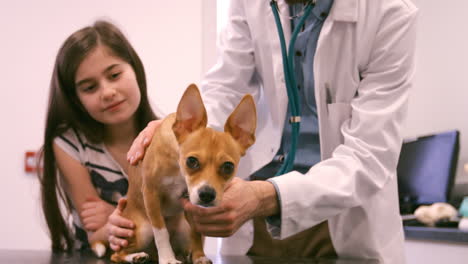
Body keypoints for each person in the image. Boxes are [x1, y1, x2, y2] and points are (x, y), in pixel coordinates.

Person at [110, 0, 418, 262]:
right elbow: (225, 88)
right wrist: (173, 131)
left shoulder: (391, 14)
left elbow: (370, 155)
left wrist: (266, 197)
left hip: (343, 220)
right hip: (251, 221)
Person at [37, 20, 158, 252]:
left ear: (135, 69)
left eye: (114, 75)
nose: (108, 92)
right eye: (89, 88)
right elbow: (95, 232)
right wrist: (144, 216)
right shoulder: (69, 144)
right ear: (76, 100)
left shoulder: (165, 138)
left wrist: (113, 212)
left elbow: (183, 224)